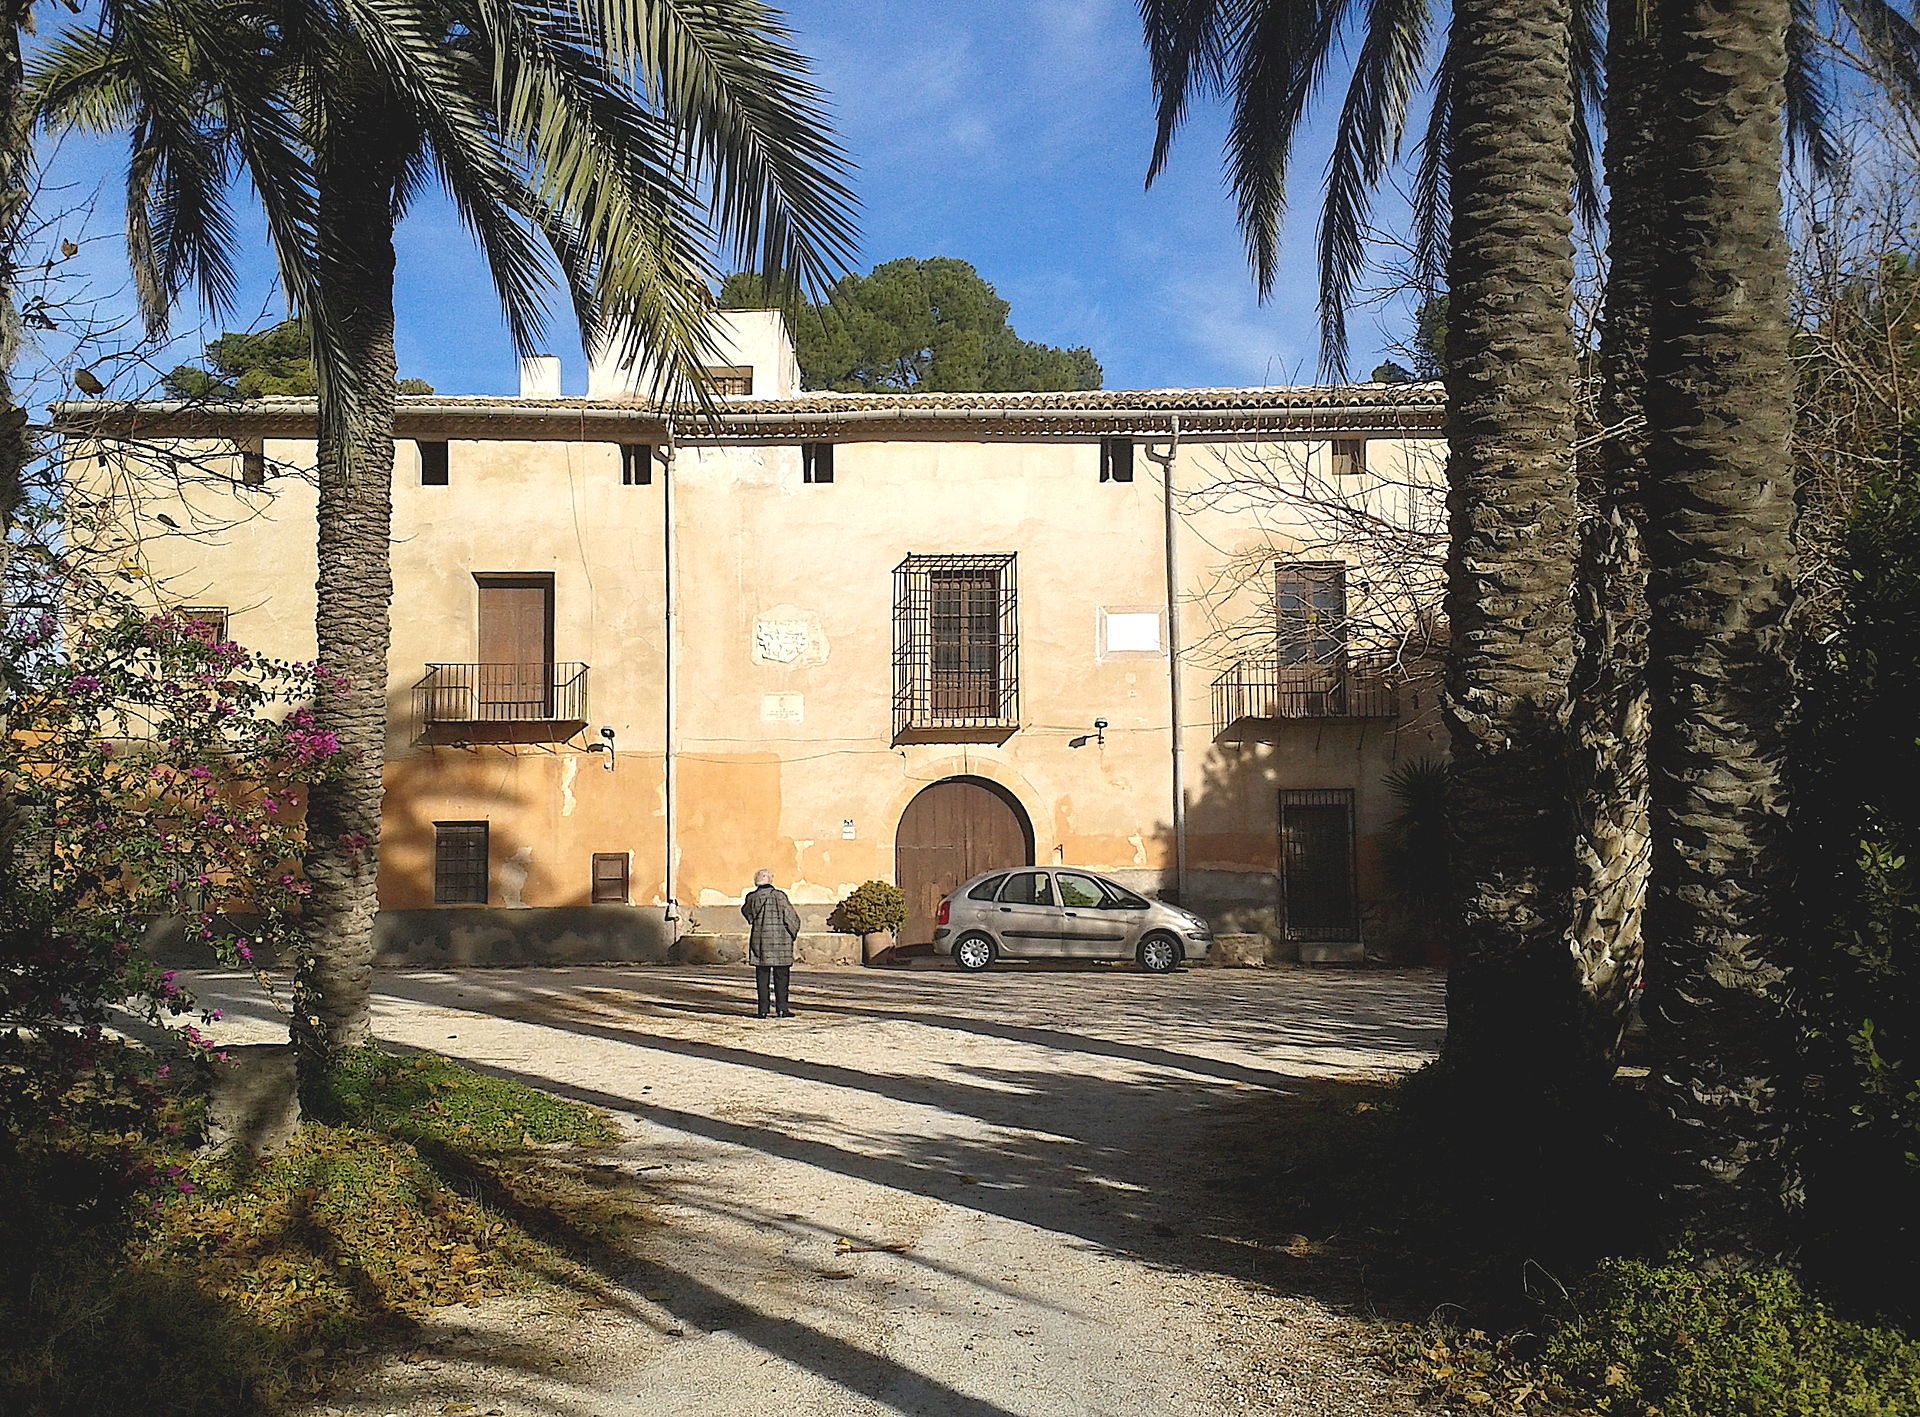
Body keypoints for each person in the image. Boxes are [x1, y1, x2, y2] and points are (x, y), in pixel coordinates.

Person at [742, 868, 801, 1018]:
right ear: (770, 880)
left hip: (760, 941)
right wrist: (792, 933)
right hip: (780, 941)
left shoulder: (752, 897)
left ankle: (763, 1010)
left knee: (762, 977)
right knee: (781, 977)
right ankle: (782, 1009)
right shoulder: (779, 896)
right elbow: (791, 917)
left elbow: (746, 912)